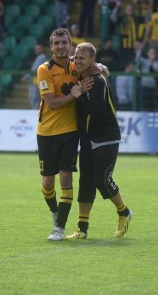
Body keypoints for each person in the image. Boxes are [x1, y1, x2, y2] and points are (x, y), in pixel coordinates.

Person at [67, 43, 132, 239]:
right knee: (86, 182)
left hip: (106, 138)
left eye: (82, 58)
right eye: (76, 57)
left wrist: (78, 96)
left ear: (92, 61)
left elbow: (97, 113)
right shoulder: (81, 74)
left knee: (102, 180)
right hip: (87, 140)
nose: (77, 61)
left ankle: (124, 212)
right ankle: (82, 229)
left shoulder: (97, 81)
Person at [37, 28, 89, 241]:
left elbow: (94, 69)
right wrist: (74, 94)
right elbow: (51, 102)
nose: (60, 46)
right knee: (48, 183)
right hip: (47, 132)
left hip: (70, 131)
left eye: (64, 43)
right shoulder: (44, 69)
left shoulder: (77, 67)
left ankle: (59, 228)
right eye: (56, 43)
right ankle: (54, 211)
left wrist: (102, 68)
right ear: (51, 46)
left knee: (66, 176)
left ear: (70, 45)